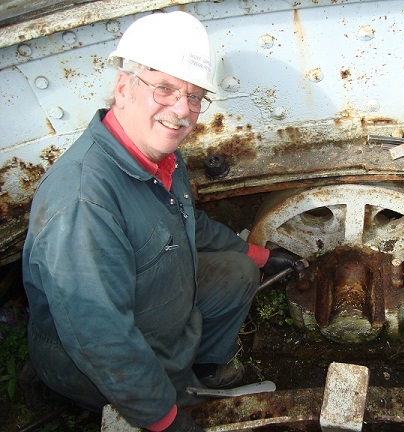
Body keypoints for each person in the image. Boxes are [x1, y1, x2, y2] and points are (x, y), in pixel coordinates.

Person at [21, 11, 298, 432]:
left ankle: (200, 372)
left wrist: (259, 255)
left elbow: (186, 222)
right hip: (91, 358)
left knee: (237, 271)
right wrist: (165, 420)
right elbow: (101, 338)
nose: (181, 110)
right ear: (122, 88)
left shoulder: (157, 155)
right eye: (164, 88)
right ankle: (176, 396)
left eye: (193, 97)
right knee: (156, 397)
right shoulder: (83, 202)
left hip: (151, 298)